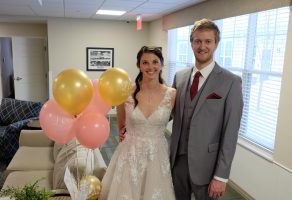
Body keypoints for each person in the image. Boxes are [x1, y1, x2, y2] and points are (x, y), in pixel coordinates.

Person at [170, 18, 243, 200]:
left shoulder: (231, 82)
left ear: (216, 44)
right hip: (177, 161)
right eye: (198, 41)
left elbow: (230, 132)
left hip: (208, 167)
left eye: (208, 41)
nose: (202, 46)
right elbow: (168, 114)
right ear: (191, 43)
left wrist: (221, 175)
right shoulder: (179, 77)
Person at [99, 46, 176, 200]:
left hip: (157, 155)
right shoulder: (125, 92)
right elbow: (121, 128)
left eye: (155, 62)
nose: (150, 67)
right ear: (139, 65)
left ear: (161, 65)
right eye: (145, 62)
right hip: (130, 154)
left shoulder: (172, 94)